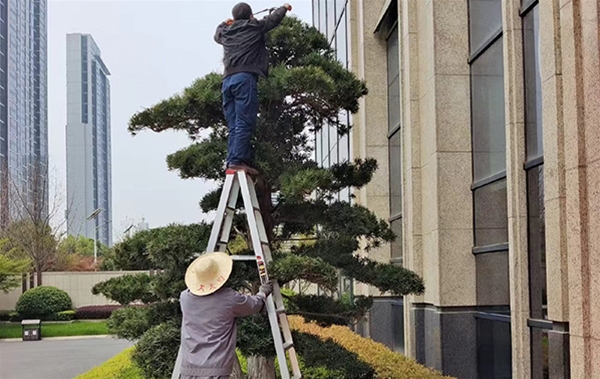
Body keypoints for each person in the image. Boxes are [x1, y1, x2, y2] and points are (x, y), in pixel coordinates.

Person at [214, 2, 292, 176]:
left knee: (234, 124)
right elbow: (273, 20)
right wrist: (284, 7)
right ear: (250, 16)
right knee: (244, 121)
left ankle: (233, 160)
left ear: (233, 19)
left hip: (227, 81)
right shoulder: (254, 26)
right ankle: (237, 161)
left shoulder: (226, 32)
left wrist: (224, 23)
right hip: (244, 78)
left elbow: (217, 34)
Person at [179, 252, 273, 379]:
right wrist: (262, 293)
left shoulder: (185, 297)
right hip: (215, 369)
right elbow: (253, 305)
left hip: (188, 368)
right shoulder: (228, 298)